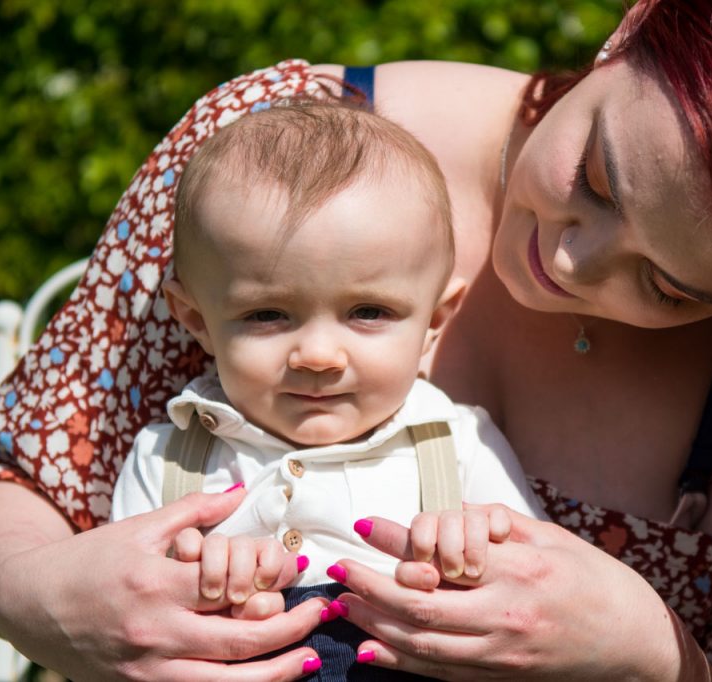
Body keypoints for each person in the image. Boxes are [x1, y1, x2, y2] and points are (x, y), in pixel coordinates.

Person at [0, 0, 712, 679]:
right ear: (627, 28)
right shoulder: (274, 156)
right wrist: (37, 592)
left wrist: (652, 651)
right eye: (594, 178)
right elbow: (11, 479)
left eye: (669, 284)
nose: (576, 263)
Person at [108, 100, 543, 679]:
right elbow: (121, 615)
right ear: (195, 319)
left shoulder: (455, 443)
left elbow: (533, 592)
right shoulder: (169, 456)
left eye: (367, 311)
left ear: (435, 317)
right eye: (267, 314)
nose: (317, 356)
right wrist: (197, 580)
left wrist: (472, 546)